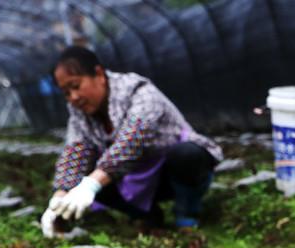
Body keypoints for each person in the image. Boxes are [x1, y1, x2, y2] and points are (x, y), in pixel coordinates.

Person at [42, 46, 222, 234]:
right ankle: (147, 215)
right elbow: (76, 150)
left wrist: (91, 184)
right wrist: (60, 195)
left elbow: (132, 141)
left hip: (172, 171)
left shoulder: (139, 92)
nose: (74, 97)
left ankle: (187, 214)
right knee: (87, 178)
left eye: (76, 86)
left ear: (99, 74)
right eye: (66, 93)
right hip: (133, 177)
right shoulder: (79, 113)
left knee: (187, 154)